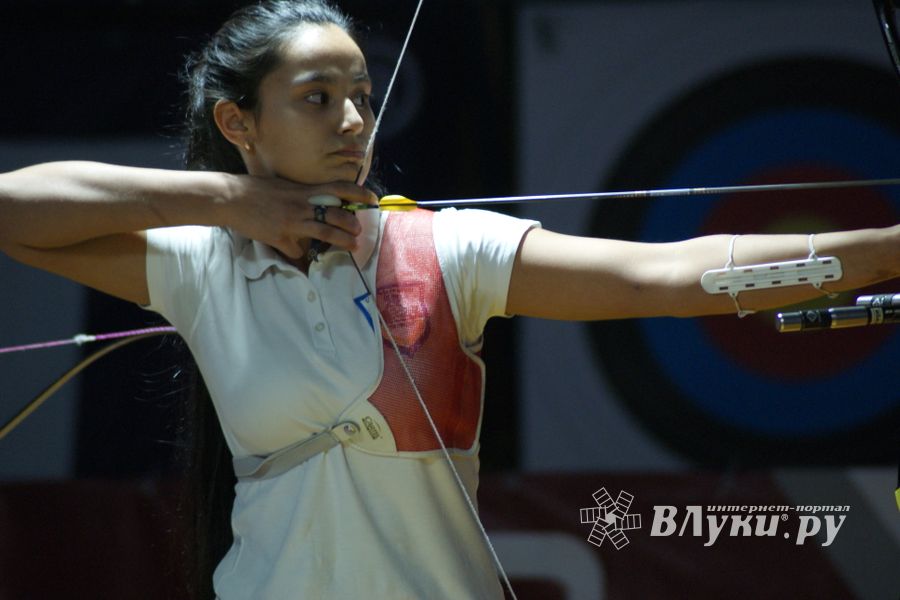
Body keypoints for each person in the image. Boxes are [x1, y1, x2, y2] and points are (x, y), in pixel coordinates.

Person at [0, 1, 897, 598]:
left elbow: (661, 277)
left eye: (360, 95)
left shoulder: (442, 248)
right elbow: (14, 212)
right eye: (317, 99)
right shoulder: (204, 266)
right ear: (240, 123)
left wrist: (886, 251)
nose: (355, 121)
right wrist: (228, 200)